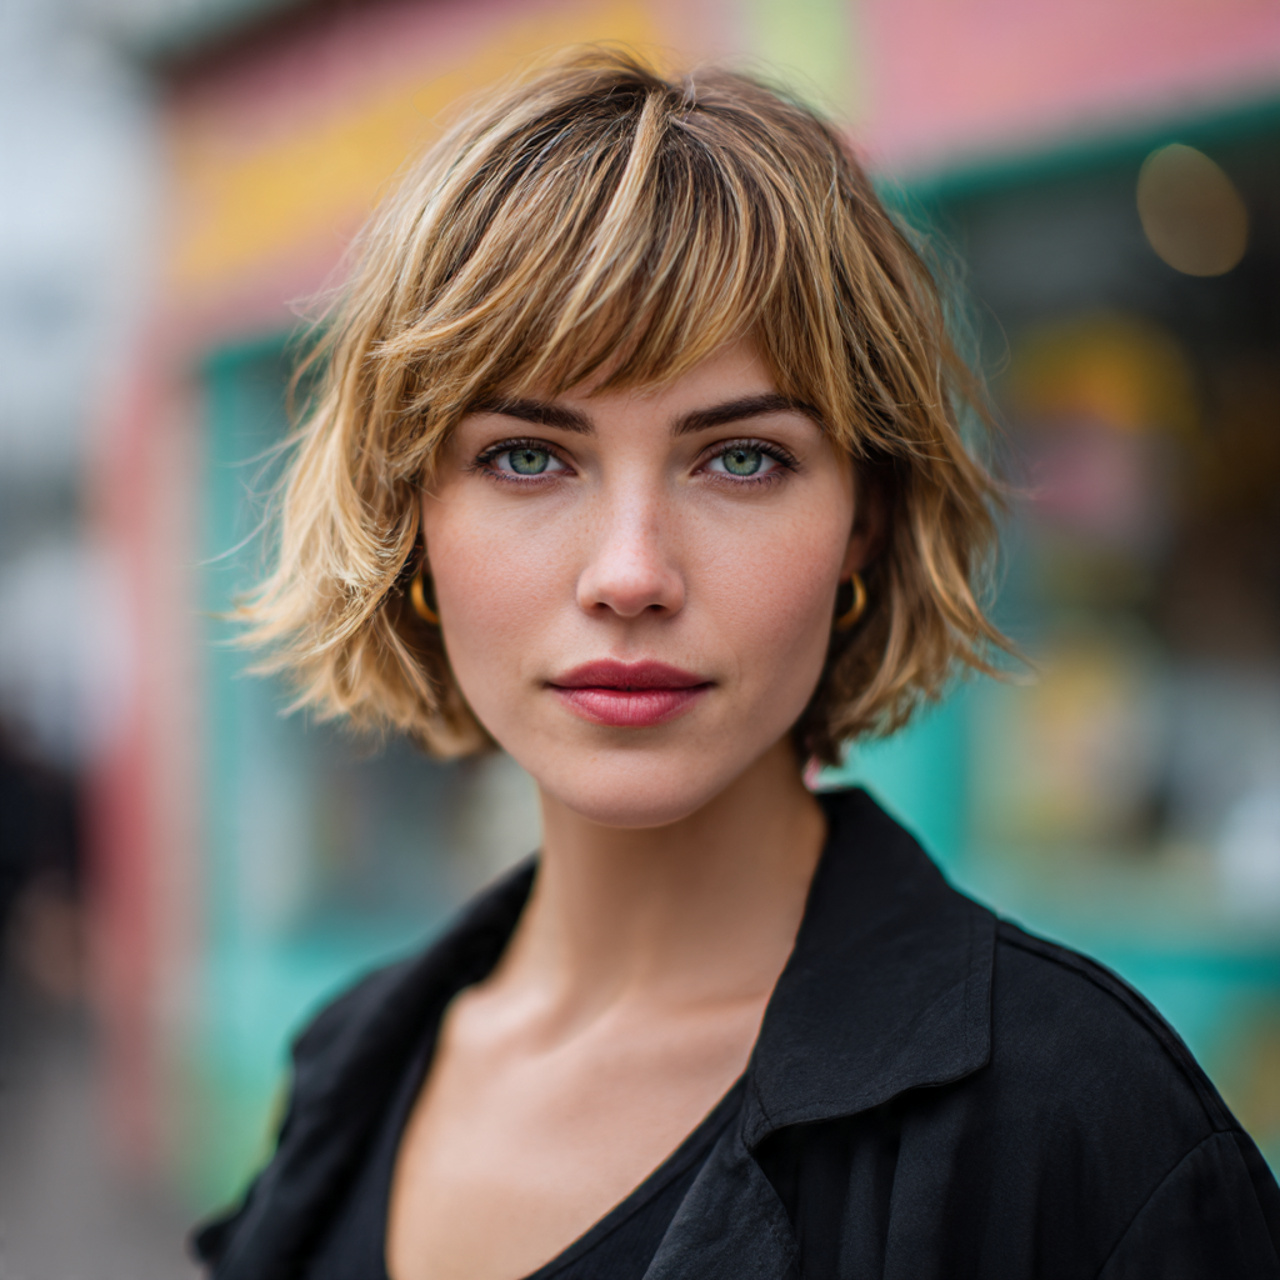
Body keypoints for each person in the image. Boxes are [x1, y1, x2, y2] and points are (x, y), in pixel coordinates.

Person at [192, 50, 1280, 1280]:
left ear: (862, 521)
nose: (630, 570)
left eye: (741, 459)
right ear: (410, 524)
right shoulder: (349, 1067)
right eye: (527, 458)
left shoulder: (1082, 1131)